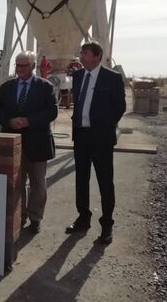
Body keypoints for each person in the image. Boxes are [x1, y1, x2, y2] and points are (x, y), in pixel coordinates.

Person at [65, 41, 126, 245]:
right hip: (80, 136)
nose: (81, 56)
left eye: (85, 53)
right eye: (81, 52)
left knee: (105, 182)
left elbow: (119, 107)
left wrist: (104, 125)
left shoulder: (112, 77)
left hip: (101, 138)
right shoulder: (78, 76)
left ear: (97, 56)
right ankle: (83, 218)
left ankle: (106, 225)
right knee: (81, 179)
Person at [0, 51, 58, 234]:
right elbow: (0, 110)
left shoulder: (45, 87)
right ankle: (19, 217)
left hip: (37, 142)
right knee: (17, 182)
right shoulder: (7, 87)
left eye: (23, 65)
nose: (19, 68)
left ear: (33, 66)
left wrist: (28, 121)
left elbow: (51, 112)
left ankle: (35, 217)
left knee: (38, 183)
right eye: (17, 65)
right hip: (12, 142)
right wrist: (9, 121)